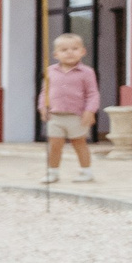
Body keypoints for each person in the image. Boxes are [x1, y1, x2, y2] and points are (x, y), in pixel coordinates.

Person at [40, 32, 100, 183]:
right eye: (64, 50)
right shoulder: (50, 71)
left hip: (77, 116)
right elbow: (45, 92)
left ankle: (86, 172)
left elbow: (93, 94)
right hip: (56, 115)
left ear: (82, 51)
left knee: (79, 143)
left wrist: (90, 111)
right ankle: (52, 172)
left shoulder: (87, 72)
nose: (69, 52)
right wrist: (43, 107)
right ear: (56, 54)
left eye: (74, 48)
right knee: (54, 145)